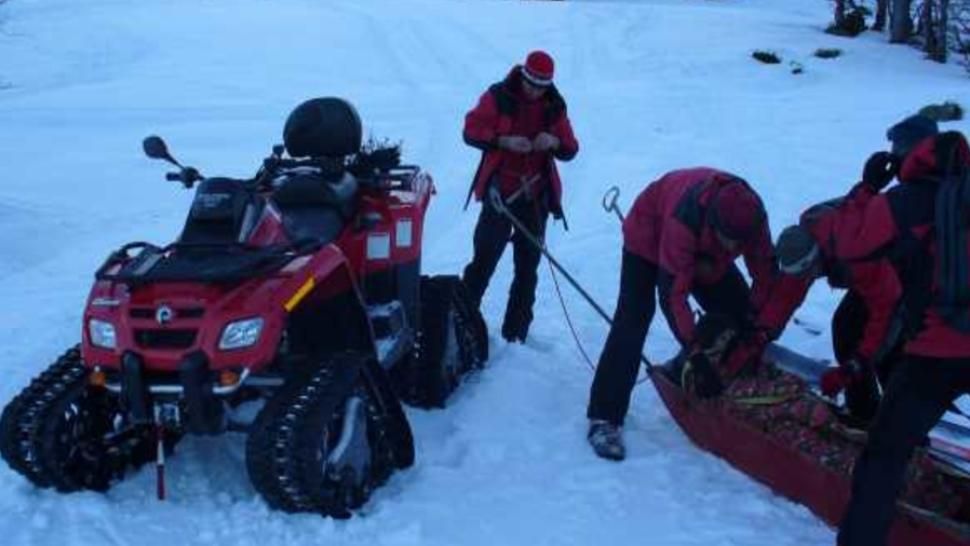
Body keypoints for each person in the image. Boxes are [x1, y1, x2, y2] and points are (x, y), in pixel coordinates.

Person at [833, 121, 970, 545]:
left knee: (884, 458)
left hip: (936, 350)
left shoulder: (904, 201)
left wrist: (867, 188)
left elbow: (851, 247)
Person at [585, 168, 776, 461]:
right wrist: (697, 354)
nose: (735, 248)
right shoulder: (684, 221)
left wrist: (756, 326)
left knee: (738, 309)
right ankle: (604, 417)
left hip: (705, 253)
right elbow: (675, 297)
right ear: (715, 223)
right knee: (633, 320)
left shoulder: (751, 218)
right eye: (729, 240)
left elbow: (764, 273)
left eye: (740, 243)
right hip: (649, 236)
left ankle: (699, 368)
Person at [461, 50, 579, 343]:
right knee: (484, 261)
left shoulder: (554, 105)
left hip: (535, 196)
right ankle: (460, 323)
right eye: (531, 83)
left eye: (541, 86)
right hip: (500, 195)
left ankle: (516, 336)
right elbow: (471, 129)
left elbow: (571, 147)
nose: (535, 91)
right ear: (523, 75)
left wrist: (552, 140)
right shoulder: (498, 96)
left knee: (528, 270)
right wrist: (502, 141)